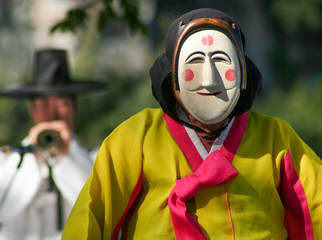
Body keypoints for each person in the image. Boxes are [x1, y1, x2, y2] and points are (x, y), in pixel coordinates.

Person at [61, 8, 322, 239]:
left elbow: (317, 208)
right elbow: (89, 222)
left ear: (243, 74)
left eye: (221, 60)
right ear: (172, 78)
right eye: (195, 62)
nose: (209, 79)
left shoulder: (276, 137)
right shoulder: (135, 139)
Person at [0, 48, 107, 240]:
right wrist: (33, 152)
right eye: (44, 106)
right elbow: (2, 207)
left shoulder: (96, 160)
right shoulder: (6, 160)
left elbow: (99, 205)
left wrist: (67, 155)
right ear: (32, 110)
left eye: (61, 105)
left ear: (74, 109)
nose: (52, 115)